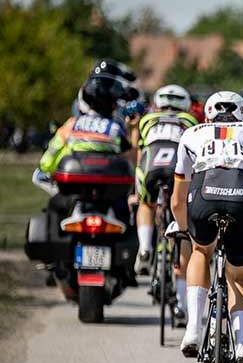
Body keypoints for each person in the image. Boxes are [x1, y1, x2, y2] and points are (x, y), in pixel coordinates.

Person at [171, 92, 243, 363]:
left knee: (200, 252)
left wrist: (184, 229)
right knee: (239, 279)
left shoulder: (191, 134)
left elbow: (178, 199)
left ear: (208, 114)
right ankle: (241, 350)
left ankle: (193, 328)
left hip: (203, 197)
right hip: (242, 200)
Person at [132, 86, 198, 321]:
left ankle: (145, 248)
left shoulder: (147, 120)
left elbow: (139, 152)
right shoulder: (190, 121)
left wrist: (136, 191)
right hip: (177, 173)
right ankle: (181, 304)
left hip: (151, 167)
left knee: (146, 204)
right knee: (183, 232)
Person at [35, 64, 135, 217]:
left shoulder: (71, 124)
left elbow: (47, 161)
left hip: (74, 191)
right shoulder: (115, 128)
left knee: (53, 208)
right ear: (113, 102)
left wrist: (49, 171)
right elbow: (128, 156)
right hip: (109, 194)